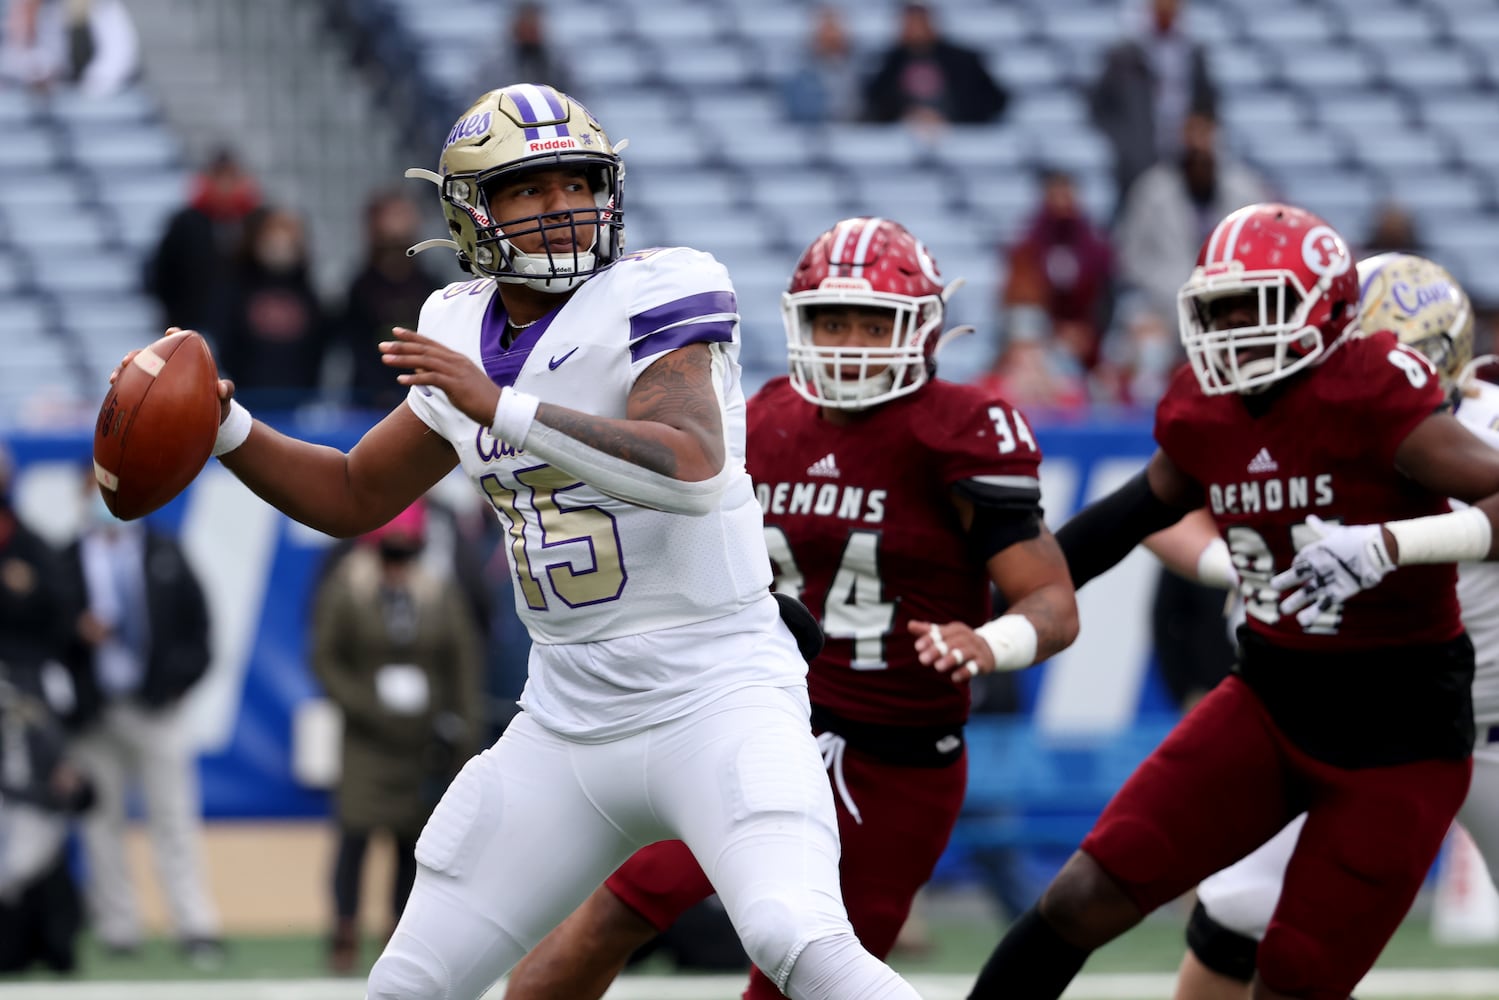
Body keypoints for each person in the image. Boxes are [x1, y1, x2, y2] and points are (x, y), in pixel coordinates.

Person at [112, 84, 928, 1000]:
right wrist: (228, 431)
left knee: (797, 940)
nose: (561, 206)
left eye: (576, 182)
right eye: (528, 190)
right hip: (568, 718)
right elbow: (352, 494)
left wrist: (500, 406)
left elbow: (689, 462)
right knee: (408, 985)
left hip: (717, 691)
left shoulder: (662, 286)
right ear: (472, 212)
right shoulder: (457, 324)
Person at [500, 216, 1080, 1000]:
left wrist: (989, 642)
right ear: (796, 322)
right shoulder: (764, 418)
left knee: (797, 982)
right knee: (616, 910)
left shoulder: (959, 428)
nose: (848, 342)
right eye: (830, 320)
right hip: (763, 726)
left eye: (872, 324)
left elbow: (1050, 601)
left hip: (898, 762)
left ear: (922, 329)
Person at [962, 202, 1499, 1000]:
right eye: (1219, 307)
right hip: (1269, 704)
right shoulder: (1204, 408)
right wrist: (987, 597)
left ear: (1325, 314)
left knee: (1295, 976)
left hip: (1402, 738)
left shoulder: (1373, 397)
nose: (1232, 327)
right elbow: (1128, 517)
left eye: (1257, 305)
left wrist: (1390, 544)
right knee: (1082, 894)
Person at [1172, 252, 1489, 1000]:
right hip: (1363, 726)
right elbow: (1165, 502)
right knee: (1234, 919)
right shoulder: (1295, 415)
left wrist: (1390, 545)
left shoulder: (1475, 432)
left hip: (1486, 725)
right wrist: (1225, 560)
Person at [310, 499, 483, 973]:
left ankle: (397, 930)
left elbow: (461, 664)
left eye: (407, 555)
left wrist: (460, 729)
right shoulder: (348, 588)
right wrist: (364, 706)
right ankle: (344, 929)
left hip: (420, 739)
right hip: (367, 735)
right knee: (356, 833)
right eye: (389, 555)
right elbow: (326, 657)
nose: (397, 565)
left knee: (413, 840)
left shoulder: (437, 591)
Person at [58, 470, 223, 966]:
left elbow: (200, 628)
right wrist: (75, 632)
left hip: (155, 709)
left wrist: (177, 683)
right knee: (100, 824)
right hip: (94, 713)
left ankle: (194, 925)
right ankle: (118, 928)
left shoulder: (163, 551)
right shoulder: (65, 560)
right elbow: (41, 628)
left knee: (173, 817)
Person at [1114, 111, 1271, 327]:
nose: (1198, 144)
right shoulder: (1151, 191)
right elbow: (1129, 258)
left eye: (1204, 134)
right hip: (1164, 304)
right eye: (1192, 134)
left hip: (1232, 301)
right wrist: (1174, 288)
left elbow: (1263, 252)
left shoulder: (1246, 190)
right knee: (1145, 337)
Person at [0, 671, 93, 975]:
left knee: (58, 952)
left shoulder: (34, 719)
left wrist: (71, 785)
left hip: (31, 830)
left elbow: (80, 793)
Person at [1089, 0, 1218, 216]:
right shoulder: (1125, 55)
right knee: (1134, 213)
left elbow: (1208, 102)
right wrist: (1124, 141)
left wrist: (1197, 133)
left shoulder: (1193, 52)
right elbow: (1099, 105)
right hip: (1140, 156)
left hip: (1182, 151)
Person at [1001, 169, 1116, 374]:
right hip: (1045, 335)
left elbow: (1106, 296)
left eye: (1067, 197)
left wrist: (1086, 331)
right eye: (1056, 196)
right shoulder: (1028, 249)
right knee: (1025, 322)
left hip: (1088, 334)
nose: (1062, 205)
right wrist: (1055, 332)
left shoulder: (1096, 248)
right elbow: (1020, 298)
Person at [214, 206, 329, 408]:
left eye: (287, 233)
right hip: (250, 398)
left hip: (297, 401)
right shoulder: (237, 288)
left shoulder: (308, 293)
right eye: (273, 232)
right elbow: (226, 340)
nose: (280, 241)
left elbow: (318, 346)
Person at [337, 191, 442, 410]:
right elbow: (357, 344)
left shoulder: (430, 283)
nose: (399, 223)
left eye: (404, 215)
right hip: (368, 399)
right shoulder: (360, 286)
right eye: (392, 215)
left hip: (422, 394)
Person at [144, 148, 261, 336]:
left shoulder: (254, 222)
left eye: (231, 178)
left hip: (241, 335)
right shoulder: (185, 223)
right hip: (191, 324)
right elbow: (162, 272)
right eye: (219, 177)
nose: (225, 185)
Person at [861, 1, 1007, 127]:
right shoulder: (890, 62)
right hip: (904, 135)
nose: (915, 29)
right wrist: (908, 117)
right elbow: (876, 105)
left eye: (920, 22)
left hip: (959, 132)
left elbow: (994, 101)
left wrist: (951, 119)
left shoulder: (964, 60)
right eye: (909, 23)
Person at [471, 3, 573, 102]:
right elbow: (479, 98)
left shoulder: (557, 64)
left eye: (533, 26)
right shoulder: (493, 65)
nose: (529, 31)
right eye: (526, 25)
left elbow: (572, 97)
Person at [781, 5, 862, 125]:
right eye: (826, 30)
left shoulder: (858, 69)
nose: (831, 36)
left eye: (835, 29)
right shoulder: (798, 75)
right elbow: (800, 111)